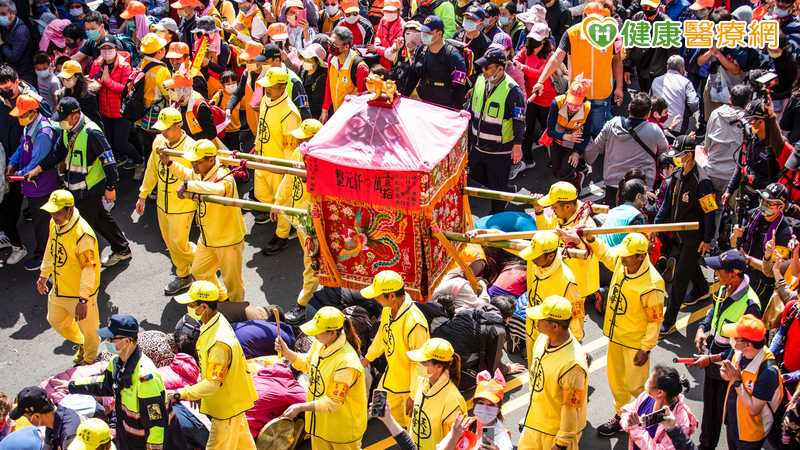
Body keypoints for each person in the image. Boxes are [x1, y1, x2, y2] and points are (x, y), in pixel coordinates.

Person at [565, 230, 666, 437]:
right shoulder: (623, 262)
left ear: (640, 256)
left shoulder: (652, 284)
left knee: (637, 387)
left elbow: (655, 321)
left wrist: (645, 349)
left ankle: (644, 423)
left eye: (627, 254)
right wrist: (591, 240)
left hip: (634, 345)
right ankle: (621, 416)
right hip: (616, 338)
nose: (622, 257)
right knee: (617, 382)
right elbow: (607, 254)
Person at [28, 97, 132, 267]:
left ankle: (84, 266)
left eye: (63, 119)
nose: (61, 123)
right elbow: (57, 153)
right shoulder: (67, 130)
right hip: (76, 188)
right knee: (99, 218)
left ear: (75, 116)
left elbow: (109, 162)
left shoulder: (92, 133)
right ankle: (122, 248)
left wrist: (111, 187)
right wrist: (39, 168)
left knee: (83, 228)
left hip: (90, 188)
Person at [171, 281, 258, 450]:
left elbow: (213, 383)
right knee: (243, 445)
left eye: (191, 304)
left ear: (203, 307)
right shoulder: (214, 321)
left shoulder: (219, 344)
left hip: (226, 408)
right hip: (231, 402)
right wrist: (197, 389)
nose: (188, 308)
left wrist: (180, 394)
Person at [690, 249, 761, 450]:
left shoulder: (751, 305)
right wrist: (701, 329)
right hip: (713, 365)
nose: (715, 273)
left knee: (730, 419)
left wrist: (713, 358)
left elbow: (744, 347)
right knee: (710, 413)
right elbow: (713, 312)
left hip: (731, 373)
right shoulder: (723, 288)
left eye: (720, 270)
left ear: (734, 274)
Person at [159, 139, 246, 302]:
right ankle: (221, 297)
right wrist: (169, 163)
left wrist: (189, 185)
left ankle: (238, 312)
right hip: (207, 238)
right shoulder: (200, 172)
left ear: (211, 160)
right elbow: (188, 175)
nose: (194, 166)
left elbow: (218, 190)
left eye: (197, 162)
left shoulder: (224, 176)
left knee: (233, 282)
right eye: (193, 162)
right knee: (199, 271)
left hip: (228, 241)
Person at [69, 315, 168, 450]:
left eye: (111, 339)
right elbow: (105, 385)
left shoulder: (145, 378)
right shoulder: (116, 362)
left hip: (142, 441)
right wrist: (73, 385)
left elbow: (156, 422)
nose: (107, 342)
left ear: (127, 341)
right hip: (125, 434)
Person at [275, 307, 368, 450]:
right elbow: (307, 363)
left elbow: (333, 402)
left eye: (318, 331)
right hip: (320, 426)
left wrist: (300, 407)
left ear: (332, 333)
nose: (314, 334)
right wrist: (287, 352)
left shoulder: (347, 363)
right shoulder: (320, 343)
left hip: (342, 433)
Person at [531, 1, 622, 138]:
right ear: (584, 17)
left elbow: (617, 60)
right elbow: (556, 58)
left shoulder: (611, 34)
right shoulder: (572, 34)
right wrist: (540, 81)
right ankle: (579, 156)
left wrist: (619, 87)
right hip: (577, 94)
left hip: (602, 92)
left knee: (598, 131)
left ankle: (595, 156)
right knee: (576, 131)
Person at [655, 135, 717, 335]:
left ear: (690, 155)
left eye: (680, 156)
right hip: (678, 234)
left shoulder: (703, 182)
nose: (677, 160)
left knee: (680, 280)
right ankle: (701, 289)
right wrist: (655, 227)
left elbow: (710, 212)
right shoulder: (677, 176)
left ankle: (669, 321)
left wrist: (707, 239)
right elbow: (666, 205)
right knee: (688, 265)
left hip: (695, 238)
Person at [35, 190, 101, 365]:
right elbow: (51, 248)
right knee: (55, 320)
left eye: (57, 212)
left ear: (69, 210)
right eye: (52, 211)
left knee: (90, 332)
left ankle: (89, 361)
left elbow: (89, 269)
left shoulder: (83, 234)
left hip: (80, 295)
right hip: (60, 288)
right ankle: (81, 343)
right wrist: (43, 274)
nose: (53, 215)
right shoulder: (54, 224)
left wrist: (83, 300)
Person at [136, 107, 197, 295]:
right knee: (170, 242)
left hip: (183, 204)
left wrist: (172, 163)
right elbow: (152, 170)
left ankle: (204, 259)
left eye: (167, 128)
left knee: (179, 243)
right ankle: (183, 274)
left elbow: (195, 177)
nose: (163, 132)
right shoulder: (159, 141)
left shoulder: (191, 148)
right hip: (162, 203)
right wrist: (143, 195)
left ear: (179, 125)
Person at [518, 295, 588, 450]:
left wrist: (561, 444)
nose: (536, 321)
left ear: (555, 326)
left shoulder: (573, 366)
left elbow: (571, 408)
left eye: (541, 319)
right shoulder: (543, 339)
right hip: (534, 423)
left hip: (554, 435)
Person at [361, 270, 430, 427]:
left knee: (408, 428)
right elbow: (381, 336)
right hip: (391, 377)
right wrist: (368, 358)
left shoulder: (415, 323)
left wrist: (414, 396)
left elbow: (420, 364)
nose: (375, 299)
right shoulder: (387, 310)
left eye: (378, 296)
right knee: (379, 410)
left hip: (408, 387)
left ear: (391, 296)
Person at [467, 47, 525, 213]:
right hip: (478, 146)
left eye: (487, 67)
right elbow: (473, 108)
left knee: (496, 188)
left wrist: (517, 145)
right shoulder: (480, 80)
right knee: (476, 175)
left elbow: (519, 120)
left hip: (499, 151)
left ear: (500, 69)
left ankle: (497, 214)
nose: (483, 70)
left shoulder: (513, 91)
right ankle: (506, 190)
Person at [275, 119, 322, 322]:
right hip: (298, 218)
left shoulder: (322, 161)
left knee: (311, 263)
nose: (300, 142)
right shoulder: (299, 153)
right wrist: (277, 203)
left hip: (311, 223)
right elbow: (287, 180)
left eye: (304, 139)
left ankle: (303, 303)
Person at [586, 92, 669, 205]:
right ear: (648, 112)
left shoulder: (611, 124)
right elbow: (665, 155)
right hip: (642, 189)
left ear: (629, 108)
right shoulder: (655, 130)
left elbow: (590, 156)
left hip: (613, 186)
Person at [6, 94, 59, 271]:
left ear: (33, 112)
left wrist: (17, 174)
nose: (20, 118)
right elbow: (22, 148)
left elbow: (36, 160)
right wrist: (12, 163)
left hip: (42, 186)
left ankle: (43, 257)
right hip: (31, 184)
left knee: (42, 223)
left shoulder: (44, 132)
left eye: (22, 114)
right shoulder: (28, 126)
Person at [719, 314, 786, 449]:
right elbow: (724, 372)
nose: (731, 339)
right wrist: (726, 374)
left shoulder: (768, 372)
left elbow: (754, 409)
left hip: (750, 435)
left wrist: (736, 381)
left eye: (735, 337)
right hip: (732, 422)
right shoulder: (739, 351)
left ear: (748, 344)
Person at [254, 67, 302, 255]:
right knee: (262, 195)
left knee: (280, 201)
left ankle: (281, 235)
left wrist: (287, 173)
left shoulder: (289, 113)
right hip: (262, 159)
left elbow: (291, 148)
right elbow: (261, 127)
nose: (267, 90)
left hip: (278, 166)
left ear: (282, 87)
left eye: (271, 87)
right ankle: (284, 220)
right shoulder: (266, 99)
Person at [534, 181, 601, 309]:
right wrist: (539, 212)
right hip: (558, 277)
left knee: (573, 324)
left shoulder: (587, 226)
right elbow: (547, 233)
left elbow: (592, 253)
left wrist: (577, 242)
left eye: (554, 207)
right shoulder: (559, 215)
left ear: (568, 207)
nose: (552, 210)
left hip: (576, 286)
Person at [88, 36, 139, 174]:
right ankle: (120, 160)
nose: (106, 51)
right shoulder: (97, 64)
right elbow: (93, 79)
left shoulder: (125, 66)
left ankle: (139, 160)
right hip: (105, 110)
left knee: (120, 143)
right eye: (103, 48)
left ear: (116, 48)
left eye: (109, 48)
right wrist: (94, 81)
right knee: (109, 141)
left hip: (121, 111)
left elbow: (125, 89)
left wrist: (107, 81)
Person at [732, 183, 793, 299]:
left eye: (769, 203)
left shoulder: (784, 232)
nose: (763, 204)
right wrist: (735, 235)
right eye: (762, 199)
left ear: (780, 207)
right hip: (742, 272)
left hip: (762, 284)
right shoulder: (753, 215)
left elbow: (773, 270)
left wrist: (748, 259)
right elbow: (735, 245)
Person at [406, 338, 467, 450]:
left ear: (439, 366)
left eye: (424, 362)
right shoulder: (422, 382)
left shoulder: (453, 400)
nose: (418, 365)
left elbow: (458, 442)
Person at [620, 366, 698, 450]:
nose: (647, 380)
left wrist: (636, 430)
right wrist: (628, 422)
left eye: (649, 380)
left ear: (660, 392)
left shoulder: (679, 422)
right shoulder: (646, 396)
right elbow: (627, 411)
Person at [513, 22, 552, 179]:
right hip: (529, 99)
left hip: (547, 100)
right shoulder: (526, 48)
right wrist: (518, 62)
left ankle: (552, 159)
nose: (533, 45)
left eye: (536, 42)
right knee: (526, 130)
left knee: (548, 131)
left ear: (544, 43)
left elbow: (540, 74)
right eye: (531, 41)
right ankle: (527, 159)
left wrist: (522, 67)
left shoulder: (550, 56)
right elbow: (517, 57)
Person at [543, 74, 592, 189]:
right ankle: (576, 171)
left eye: (577, 105)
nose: (572, 108)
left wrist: (577, 152)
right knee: (555, 172)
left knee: (563, 173)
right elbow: (550, 131)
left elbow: (586, 134)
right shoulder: (557, 103)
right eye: (570, 103)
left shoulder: (587, 108)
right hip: (558, 141)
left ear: (583, 100)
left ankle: (576, 177)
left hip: (573, 145)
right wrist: (566, 136)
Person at [409, 15, 467, 110]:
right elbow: (413, 76)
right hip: (423, 103)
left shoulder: (454, 57)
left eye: (428, 32)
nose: (424, 35)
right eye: (423, 32)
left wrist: (455, 112)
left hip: (444, 107)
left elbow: (459, 89)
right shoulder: (421, 50)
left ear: (439, 33)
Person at [704, 83, 750, 199]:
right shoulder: (750, 122)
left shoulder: (715, 114)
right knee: (731, 214)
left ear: (730, 98)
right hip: (733, 179)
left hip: (712, 172)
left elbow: (706, 147)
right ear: (748, 102)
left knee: (711, 212)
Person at [7, 386, 80, 450]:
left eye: (26, 417)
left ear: (36, 416)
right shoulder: (52, 422)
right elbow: (47, 446)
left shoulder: (69, 436)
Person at [135, 32, 170, 160]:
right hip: (154, 114)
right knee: (156, 149)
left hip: (140, 112)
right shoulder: (162, 70)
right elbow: (168, 95)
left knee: (145, 147)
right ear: (159, 51)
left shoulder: (142, 64)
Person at [320, 26, 369, 120]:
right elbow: (329, 84)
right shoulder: (331, 59)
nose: (330, 46)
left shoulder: (360, 68)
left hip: (352, 118)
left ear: (346, 46)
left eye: (334, 44)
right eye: (330, 42)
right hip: (337, 114)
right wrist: (325, 109)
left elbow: (363, 99)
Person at [649, 55, 699, 136]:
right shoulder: (686, 82)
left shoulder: (656, 80)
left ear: (667, 67)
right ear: (682, 68)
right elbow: (694, 104)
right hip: (677, 125)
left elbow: (649, 101)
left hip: (657, 124)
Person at [164, 71, 217, 141]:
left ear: (184, 90)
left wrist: (188, 141)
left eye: (172, 89)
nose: (169, 92)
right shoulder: (175, 102)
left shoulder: (200, 106)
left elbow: (211, 133)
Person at [597, 179, 648, 248]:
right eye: (645, 193)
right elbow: (635, 246)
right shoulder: (637, 216)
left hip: (600, 252)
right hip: (614, 256)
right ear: (638, 196)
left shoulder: (613, 211)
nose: (647, 197)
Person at [58, 60, 102, 129]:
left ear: (77, 77)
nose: (64, 81)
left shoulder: (88, 96)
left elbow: (92, 120)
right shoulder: (63, 94)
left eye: (68, 78)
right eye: (63, 79)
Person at [0, 0, 35, 85]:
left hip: (23, 74)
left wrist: (2, 44)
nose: (0, 17)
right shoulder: (5, 26)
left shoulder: (21, 31)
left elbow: (14, 56)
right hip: (11, 72)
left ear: (13, 13)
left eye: (3, 14)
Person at [298, 43, 328, 119]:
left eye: (309, 60)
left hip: (314, 115)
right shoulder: (303, 70)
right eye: (305, 59)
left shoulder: (322, 77)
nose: (306, 62)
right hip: (301, 109)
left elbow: (317, 104)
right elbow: (299, 90)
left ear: (317, 61)